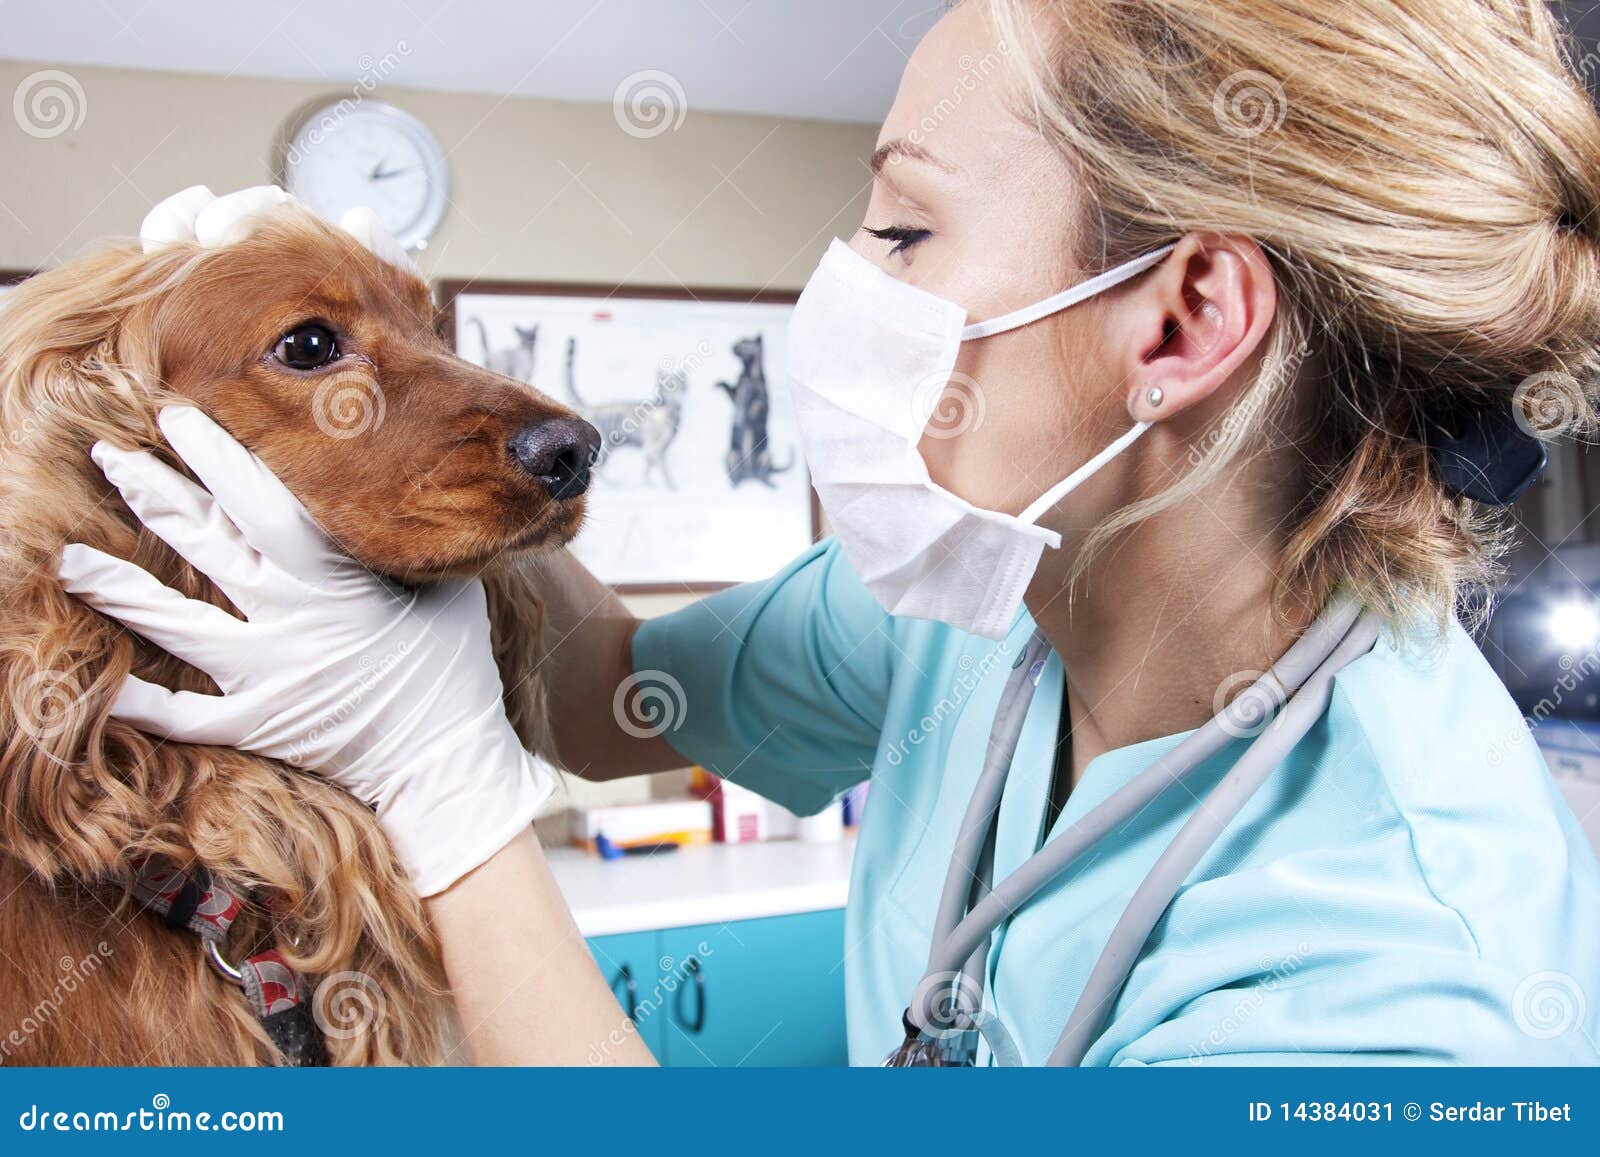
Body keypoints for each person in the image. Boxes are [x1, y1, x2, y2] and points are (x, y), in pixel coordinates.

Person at [59, 0, 1600, 1065]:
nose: (843, 280)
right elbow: (605, 685)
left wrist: (442, 788)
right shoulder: (982, 606)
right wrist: (411, 446)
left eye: (905, 228)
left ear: (1185, 318)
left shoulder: (1398, 991)